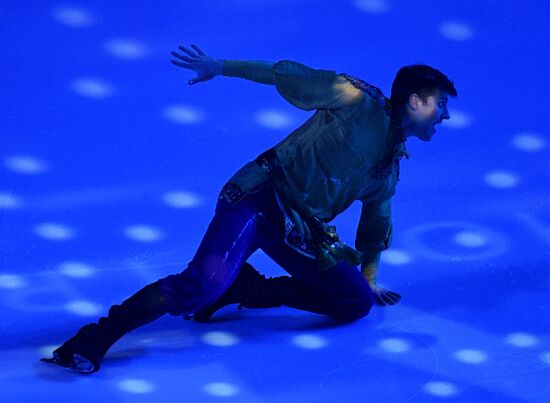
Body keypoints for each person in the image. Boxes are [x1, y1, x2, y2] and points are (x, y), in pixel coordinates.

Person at [41, 44, 457, 373]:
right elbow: (287, 74)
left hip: (297, 226)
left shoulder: (389, 166)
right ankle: (94, 339)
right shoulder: (354, 99)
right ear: (417, 102)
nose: (445, 116)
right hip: (257, 198)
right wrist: (220, 66)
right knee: (198, 286)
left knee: (354, 302)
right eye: (441, 106)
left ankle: (248, 288)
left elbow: (375, 222)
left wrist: (369, 279)